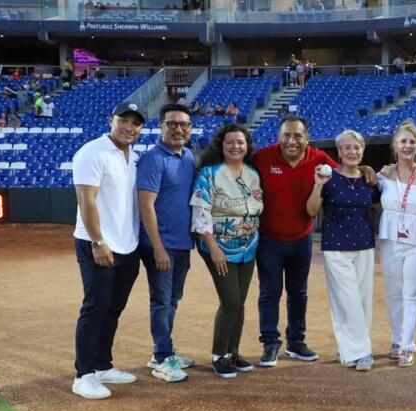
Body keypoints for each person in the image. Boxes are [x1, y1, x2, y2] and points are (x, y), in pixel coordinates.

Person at [252, 117, 374, 367]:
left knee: (299, 293)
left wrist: (366, 169)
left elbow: (347, 170)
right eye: (286, 135)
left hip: (301, 238)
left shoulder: (319, 159)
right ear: (278, 136)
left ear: (307, 138)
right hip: (269, 239)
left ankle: (296, 343)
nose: (291, 141)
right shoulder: (263, 157)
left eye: (297, 135)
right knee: (269, 293)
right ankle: (270, 344)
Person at [71, 101, 146, 400]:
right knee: (95, 307)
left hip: (128, 245)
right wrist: (98, 241)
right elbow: (85, 200)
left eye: (135, 123)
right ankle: (83, 374)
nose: (129, 127)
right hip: (99, 244)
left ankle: (102, 365)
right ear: (111, 120)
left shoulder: (135, 156)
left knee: (113, 308)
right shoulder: (92, 152)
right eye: (123, 120)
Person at [191, 123, 263, 379]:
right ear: (221, 145)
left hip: (249, 246)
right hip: (218, 247)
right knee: (230, 300)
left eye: (240, 142)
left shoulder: (253, 173)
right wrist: (213, 249)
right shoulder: (210, 173)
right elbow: (201, 213)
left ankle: (233, 351)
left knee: (240, 302)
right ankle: (218, 354)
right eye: (230, 142)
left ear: (247, 146)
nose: (235, 146)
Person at [307, 130, 379, 371]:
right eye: (347, 148)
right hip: (335, 246)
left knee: (363, 300)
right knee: (346, 299)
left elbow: (379, 205)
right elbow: (311, 209)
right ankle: (363, 352)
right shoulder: (328, 179)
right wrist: (317, 187)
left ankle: (349, 349)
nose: (352, 152)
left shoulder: (369, 180)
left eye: (356, 148)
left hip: (365, 244)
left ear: (362, 151)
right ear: (338, 152)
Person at [136, 104, 196, 383]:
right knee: (161, 301)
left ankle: (164, 351)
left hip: (183, 243)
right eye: (172, 124)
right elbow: (146, 205)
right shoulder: (153, 158)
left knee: (173, 299)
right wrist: (157, 247)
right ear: (161, 127)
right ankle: (161, 358)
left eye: (184, 124)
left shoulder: (189, 158)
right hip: (160, 244)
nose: (178, 129)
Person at [377, 120, 416, 367]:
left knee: (412, 294)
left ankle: (408, 344)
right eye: (403, 141)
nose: (407, 146)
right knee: (394, 292)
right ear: (395, 146)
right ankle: (397, 338)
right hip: (390, 239)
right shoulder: (383, 174)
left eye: (412, 141)